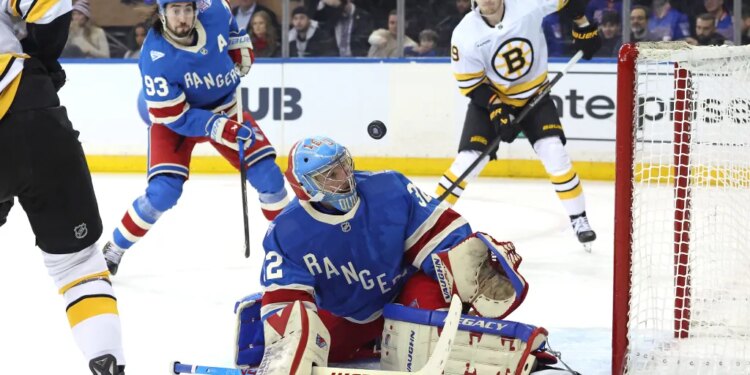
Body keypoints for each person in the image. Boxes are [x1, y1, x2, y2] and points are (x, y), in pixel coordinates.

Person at [235, 137, 536, 373]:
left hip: (401, 295)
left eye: (343, 165)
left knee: (433, 324)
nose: (345, 177)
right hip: (347, 313)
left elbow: (439, 237)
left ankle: (393, 335)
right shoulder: (286, 231)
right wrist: (289, 327)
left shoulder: (389, 187)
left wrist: (466, 265)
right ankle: (377, 340)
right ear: (307, 188)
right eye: (330, 175)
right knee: (306, 345)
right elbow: (287, 296)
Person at [101, 0, 289, 275]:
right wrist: (218, 126)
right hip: (176, 121)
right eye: (175, 11)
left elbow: (229, 22)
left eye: (187, 10)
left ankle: (292, 247)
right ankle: (114, 248)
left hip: (226, 107)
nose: (183, 18)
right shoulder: (155, 56)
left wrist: (238, 43)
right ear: (163, 14)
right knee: (163, 193)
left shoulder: (213, 9)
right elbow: (175, 117)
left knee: (270, 178)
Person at [0, 0, 125, 374]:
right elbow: (47, 5)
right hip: (29, 106)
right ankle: (109, 365)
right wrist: (41, 58)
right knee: (78, 264)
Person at [434, 0, 601, 249]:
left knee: (554, 151)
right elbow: (471, 84)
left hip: (535, 95)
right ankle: (428, 220)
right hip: (491, 100)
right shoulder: (464, 34)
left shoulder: (527, 4)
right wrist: (496, 108)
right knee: (469, 160)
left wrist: (582, 24)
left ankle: (579, 219)